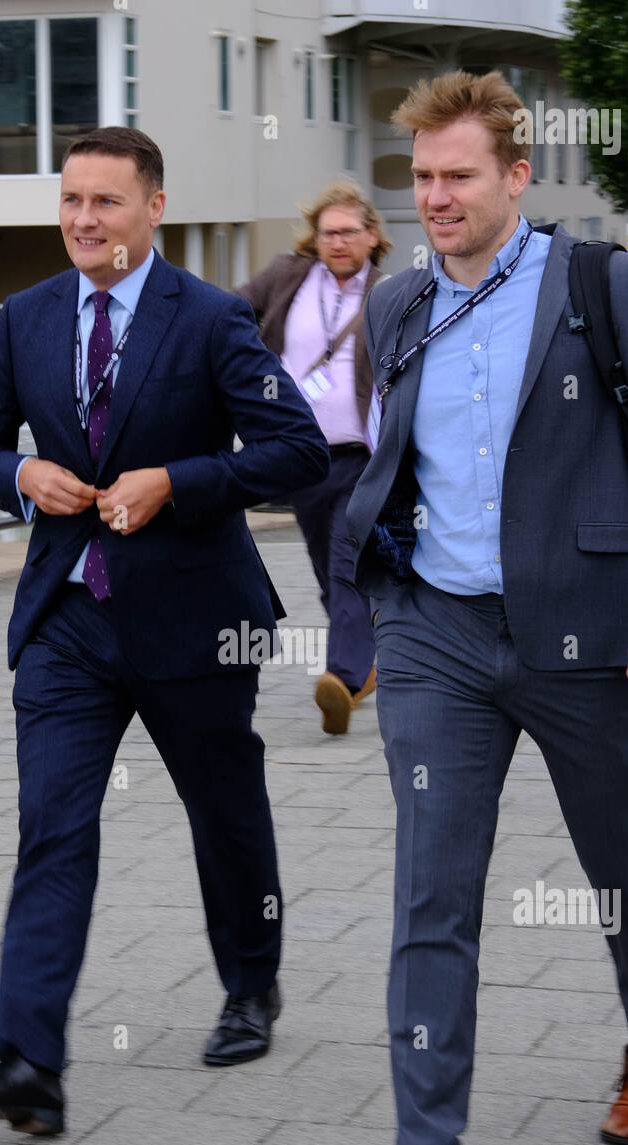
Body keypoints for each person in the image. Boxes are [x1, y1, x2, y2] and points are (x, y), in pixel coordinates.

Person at [320, 70, 628, 1145]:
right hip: (437, 634)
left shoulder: (610, 286)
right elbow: (395, 463)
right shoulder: (392, 306)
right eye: (420, 178)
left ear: (515, 177)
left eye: (456, 177)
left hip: (588, 635)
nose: (433, 197)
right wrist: (375, 598)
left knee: (619, 859)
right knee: (429, 893)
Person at [0, 126, 328, 1137]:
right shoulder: (26, 317)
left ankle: (249, 983)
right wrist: (17, 475)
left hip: (196, 618)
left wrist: (176, 483)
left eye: (105, 201)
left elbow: (296, 449)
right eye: (70, 201)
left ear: (152, 207)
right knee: (52, 828)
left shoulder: (214, 319)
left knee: (222, 812)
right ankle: (29, 1065)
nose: (83, 220)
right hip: (68, 617)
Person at [236, 181, 390, 735]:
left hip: (360, 456)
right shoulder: (287, 277)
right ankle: (366, 661)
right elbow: (231, 311)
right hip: (298, 454)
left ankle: (343, 679)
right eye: (329, 232)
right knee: (327, 570)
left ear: (372, 236)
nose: (338, 241)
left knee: (347, 563)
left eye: (350, 231)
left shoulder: (390, 292)